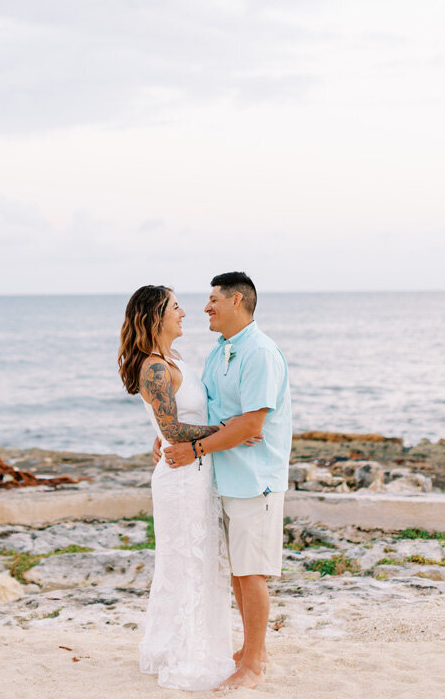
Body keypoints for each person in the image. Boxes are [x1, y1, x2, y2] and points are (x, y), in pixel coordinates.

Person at [118, 284, 255, 690]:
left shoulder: (171, 359)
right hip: (180, 478)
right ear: (156, 316)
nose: (184, 313)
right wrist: (231, 431)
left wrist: (211, 436)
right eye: (176, 307)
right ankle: (185, 654)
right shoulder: (155, 367)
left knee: (200, 562)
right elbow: (172, 428)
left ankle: (187, 645)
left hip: (195, 472)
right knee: (186, 564)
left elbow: (171, 425)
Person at [160, 272, 292, 690]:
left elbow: (252, 422)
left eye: (213, 299)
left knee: (252, 573)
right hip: (225, 476)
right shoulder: (220, 351)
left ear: (237, 301)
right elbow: (213, 416)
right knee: (238, 572)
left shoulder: (259, 353)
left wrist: (195, 450)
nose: (205, 307)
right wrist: (168, 435)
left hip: (256, 480)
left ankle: (252, 664)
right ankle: (256, 650)